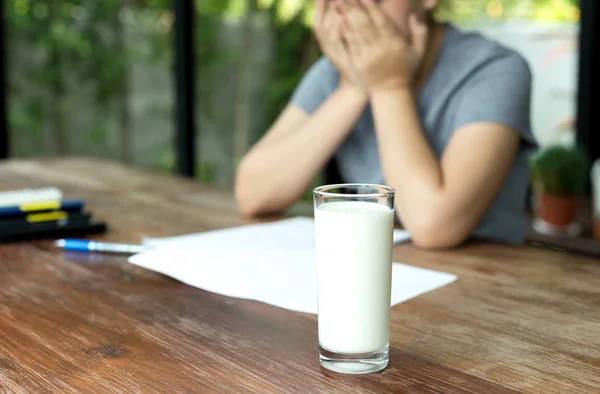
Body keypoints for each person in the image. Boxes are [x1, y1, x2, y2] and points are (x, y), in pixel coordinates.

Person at [234, 0, 537, 249]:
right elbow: (253, 193)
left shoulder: (496, 70)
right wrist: (353, 89)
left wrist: (389, 86)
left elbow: (433, 225)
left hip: (488, 287)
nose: (350, 9)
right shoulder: (336, 69)